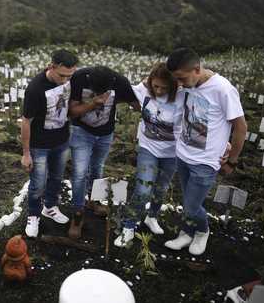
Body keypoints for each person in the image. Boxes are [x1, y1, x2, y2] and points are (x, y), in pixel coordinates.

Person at [163, 48, 247, 255]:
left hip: (206, 161)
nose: (180, 84)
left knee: (192, 205)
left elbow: (240, 127)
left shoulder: (222, 89)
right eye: (177, 79)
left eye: (182, 78)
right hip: (183, 155)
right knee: (188, 200)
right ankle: (186, 232)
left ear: (197, 69)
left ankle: (202, 231)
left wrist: (232, 161)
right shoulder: (188, 84)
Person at [114, 63, 183, 247]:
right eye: (155, 86)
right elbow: (121, 87)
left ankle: (151, 217)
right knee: (143, 189)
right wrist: (145, 82)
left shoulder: (182, 97)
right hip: (148, 148)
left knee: (161, 188)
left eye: (164, 87)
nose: (158, 91)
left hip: (172, 152)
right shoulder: (143, 91)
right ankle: (128, 227)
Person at [67, 66, 138, 239]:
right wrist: (93, 104)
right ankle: (77, 215)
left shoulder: (120, 81)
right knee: (79, 173)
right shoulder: (79, 78)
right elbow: (72, 112)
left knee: (98, 167)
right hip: (81, 131)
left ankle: (94, 201)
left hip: (105, 133)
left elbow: (138, 105)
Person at [21, 49, 79, 238]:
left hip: (62, 140)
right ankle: (33, 215)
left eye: (69, 76)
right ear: (51, 66)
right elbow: (26, 121)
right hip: (40, 145)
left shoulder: (70, 79)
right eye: (62, 75)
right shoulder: (35, 89)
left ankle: (50, 207)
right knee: (37, 183)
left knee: (56, 178)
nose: (65, 80)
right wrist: (26, 153)